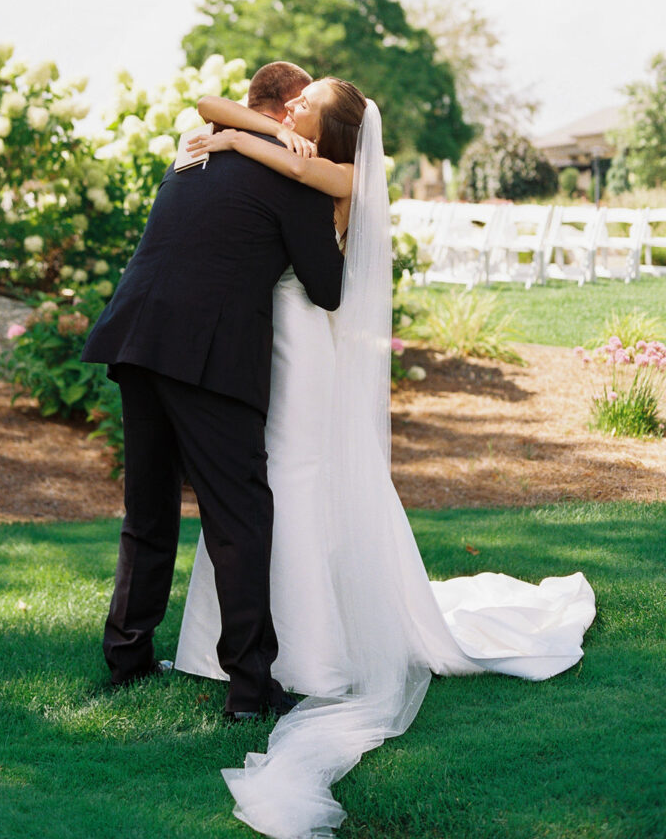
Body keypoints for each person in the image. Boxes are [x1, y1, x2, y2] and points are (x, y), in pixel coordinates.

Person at [174, 81, 597, 839]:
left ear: (332, 129)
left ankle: (308, 650)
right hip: (263, 339)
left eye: (306, 107)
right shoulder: (293, 151)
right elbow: (211, 102)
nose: (292, 108)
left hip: (301, 346)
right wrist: (249, 135)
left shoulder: (343, 176)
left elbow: (281, 166)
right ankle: (230, 645)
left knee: (289, 477)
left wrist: (242, 142)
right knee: (256, 481)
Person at [81, 61, 345, 722]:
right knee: (239, 518)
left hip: (136, 333)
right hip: (208, 356)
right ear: (286, 114)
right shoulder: (292, 180)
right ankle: (252, 690)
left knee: (148, 511)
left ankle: (126, 658)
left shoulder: (190, 155)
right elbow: (329, 289)